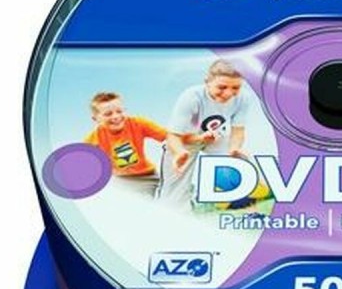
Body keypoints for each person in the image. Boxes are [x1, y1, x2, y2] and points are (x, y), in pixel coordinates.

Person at [156, 59, 260, 207]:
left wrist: (234, 149)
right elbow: (173, 136)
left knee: (237, 165)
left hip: (215, 137)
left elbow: (238, 130)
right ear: (207, 82)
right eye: (222, 87)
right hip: (185, 142)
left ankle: (239, 202)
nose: (228, 93)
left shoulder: (243, 98)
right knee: (174, 194)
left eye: (235, 87)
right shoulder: (191, 97)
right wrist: (179, 152)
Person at [84, 92, 167, 195]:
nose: (116, 116)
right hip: (119, 181)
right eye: (108, 114)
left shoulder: (138, 124)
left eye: (119, 111)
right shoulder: (93, 139)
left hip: (146, 177)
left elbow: (169, 137)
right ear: (96, 119)